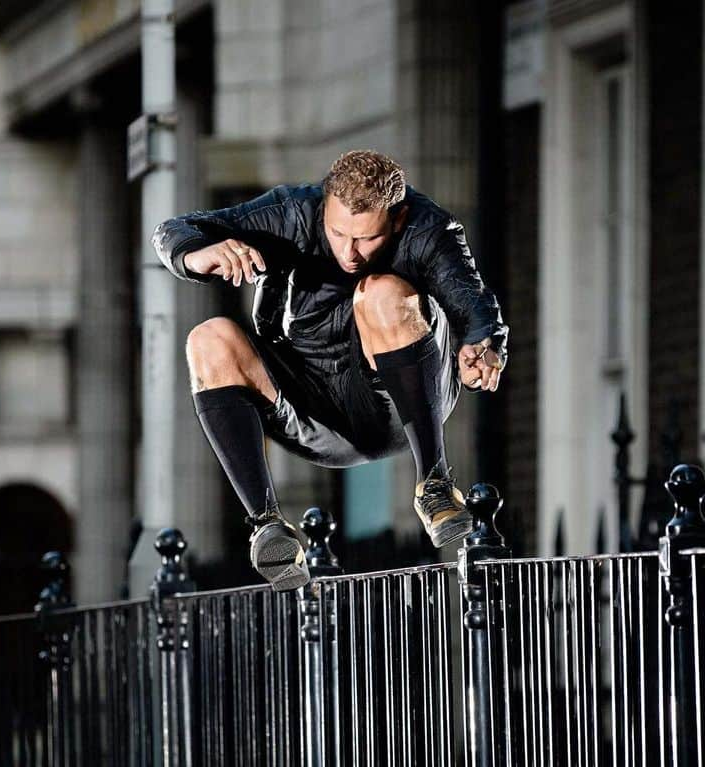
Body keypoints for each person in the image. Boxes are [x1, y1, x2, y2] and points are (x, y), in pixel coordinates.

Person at [153, 149, 507, 590]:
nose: (350, 252)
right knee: (208, 337)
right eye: (339, 233)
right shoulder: (290, 212)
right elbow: (173, 230)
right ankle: (267, 525)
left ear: (396, 219)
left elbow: (470, 298)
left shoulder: (427, 228)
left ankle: (434, 484)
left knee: (379, 290)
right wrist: (195, 254)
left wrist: (483, 346)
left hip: (397, 404)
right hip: (310, 407)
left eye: (367, 239)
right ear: (324, 206)